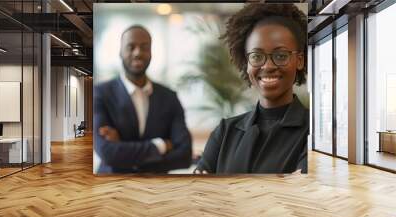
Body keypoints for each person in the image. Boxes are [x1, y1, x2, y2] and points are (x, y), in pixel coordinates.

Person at [195, 4, 308, 174]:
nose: (268, 66)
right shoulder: (225, 132)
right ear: (246, 63)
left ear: (299, 60)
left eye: (281, 55)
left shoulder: (314, 133)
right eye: (256, 56)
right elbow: (200, 193)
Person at [94, 25, 192, 173]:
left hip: (156, 189)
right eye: (131, 47)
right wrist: (161, 146)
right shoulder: (100, 94)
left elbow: (185, 155)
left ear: (151, 53)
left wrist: (125, 155)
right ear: (120, 52)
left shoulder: (169, 97)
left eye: (144, 47)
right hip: (112, 186)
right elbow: (107, 152)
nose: (138, 53)